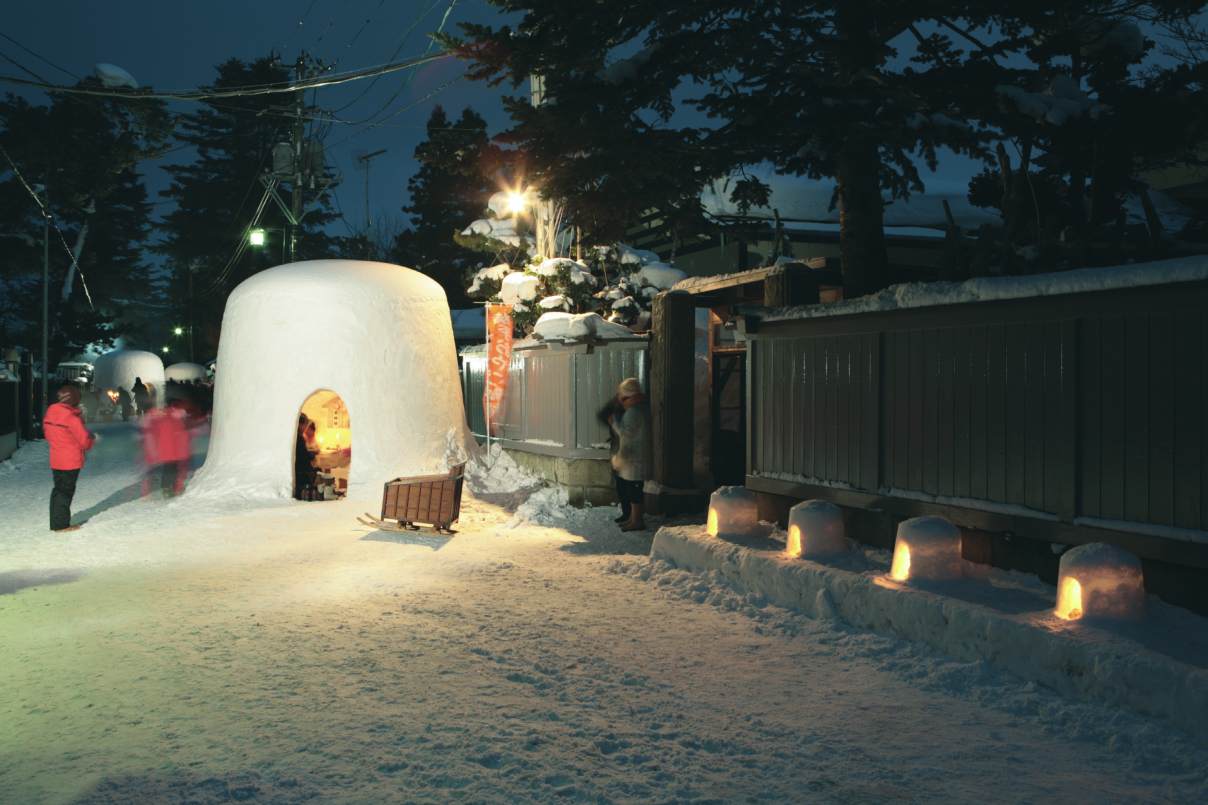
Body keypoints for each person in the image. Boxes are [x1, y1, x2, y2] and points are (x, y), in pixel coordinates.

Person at [44, 384, 96, 532]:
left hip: (56, 459)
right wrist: (91, 439)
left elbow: (48, 434)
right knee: (65, 492)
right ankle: (61, 525)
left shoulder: (50, 412)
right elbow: (84, 442)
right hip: (70, 461)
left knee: (58, 490)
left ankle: (56, 522)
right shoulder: (72, 418)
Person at [609, 377, 652, 532]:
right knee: (634, 490)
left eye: (623, 397)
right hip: (636, 457)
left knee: (634, 491)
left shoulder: (634, 412)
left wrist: (614, 423)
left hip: (634, 458)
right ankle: (633, 519)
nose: (622, 401)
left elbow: (626, 434)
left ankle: (637, 521)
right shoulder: (641, 408)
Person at [140, 399, 192, 497]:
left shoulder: (166, 418)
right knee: (170, 468)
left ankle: (170, 487)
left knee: (171, 468)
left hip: (170, 449)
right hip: (170, 449)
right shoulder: (169, 418)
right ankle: (167, 488)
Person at [597, 392, 628, 524]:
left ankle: (630, 514)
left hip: (625, 449)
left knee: (627, 483)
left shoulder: (631, 411)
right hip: (619, 447)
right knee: (621, 483)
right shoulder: (620, 409)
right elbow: (602, 415)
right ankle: (628, 513)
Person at [294, 414, 318, 500]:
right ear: (300, 424)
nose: (305, 428)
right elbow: (303, 456)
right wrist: (312, 455)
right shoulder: (299, 438)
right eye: (305, 425)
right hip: (301, 471)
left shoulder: (297, 436)